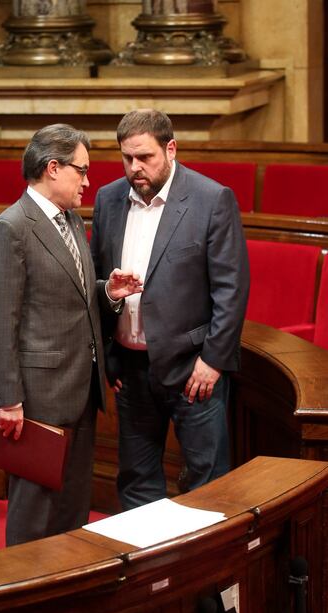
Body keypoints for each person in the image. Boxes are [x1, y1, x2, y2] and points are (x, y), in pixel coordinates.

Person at [0, 123, 142, 545]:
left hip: (81, 389)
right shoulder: (11, 228)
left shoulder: (70, 219)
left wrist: (108, 292)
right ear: (53, 168)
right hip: (37, 399)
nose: (88, 182)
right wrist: (9, 400)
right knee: (34, 514)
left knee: (73, 510)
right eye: (81, 170)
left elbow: (70, 296)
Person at [90, 109, 250, 510]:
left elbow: (231, 288)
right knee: (136, 484)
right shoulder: (108, 199)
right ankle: (147, 573)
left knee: (207, 488)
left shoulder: (211, 199)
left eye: (145, 157)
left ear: (171, 149)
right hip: (131, 371)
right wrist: (111, 358)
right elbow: (96, 281)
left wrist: (212, 361)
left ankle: (206, 574)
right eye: (127, 158)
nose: (135, 168)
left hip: (193, 371)